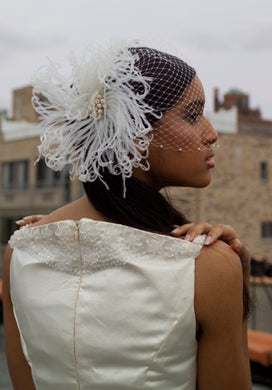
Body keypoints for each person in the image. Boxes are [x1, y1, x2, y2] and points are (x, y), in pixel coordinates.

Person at [3, 43, 251, 389]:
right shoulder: (206, 265)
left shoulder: (22, 249)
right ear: (135, 134)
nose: (211, 133)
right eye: (193, 115)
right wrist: (237, 280)